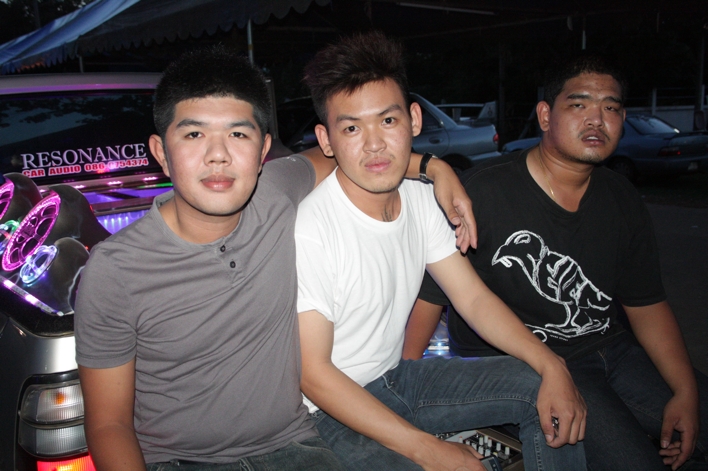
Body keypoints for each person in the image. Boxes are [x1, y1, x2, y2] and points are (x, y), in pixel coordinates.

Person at [74, 45, 474, 471]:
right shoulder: (116, 270)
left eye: (238, 134)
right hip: (181, 461)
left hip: (294, 446)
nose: (217, 154)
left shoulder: (277, 193)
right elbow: (109, 424)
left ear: (264, 150)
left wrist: (434, 168)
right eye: (193, 135)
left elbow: (354, 152)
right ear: (160, 152)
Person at [294, 31, 587, 471]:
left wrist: (552, 364)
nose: (374, 144)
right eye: (352, 128)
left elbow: (473, 299)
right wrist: (427, 449)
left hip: (395, 380)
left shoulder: (419, 199)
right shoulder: (312, 228)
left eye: (387, 121)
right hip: (327, 413)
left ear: (414, 119)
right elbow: (313, 375)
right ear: (327, 139)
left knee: (544, 388)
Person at [410, 53, 708, 471]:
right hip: (524, 364)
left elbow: (647, 304)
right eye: (579, 104)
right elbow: (428, 301)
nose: (596, 119)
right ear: (546, 115)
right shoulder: (482, 192)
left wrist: (685, 390)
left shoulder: (621, 196)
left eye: (610, 108)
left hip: (611, 347)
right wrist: (407, 405)